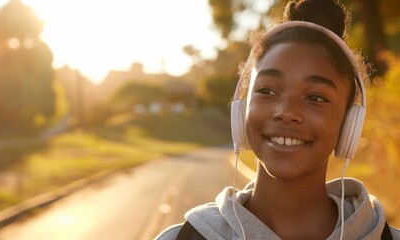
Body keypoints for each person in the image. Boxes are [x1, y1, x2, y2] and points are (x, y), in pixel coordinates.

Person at [155, 0, 400, 239]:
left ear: (349, 124)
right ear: (242, 108)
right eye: (267, 91)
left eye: (315, 97)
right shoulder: (184, 237)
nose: (287, 111)